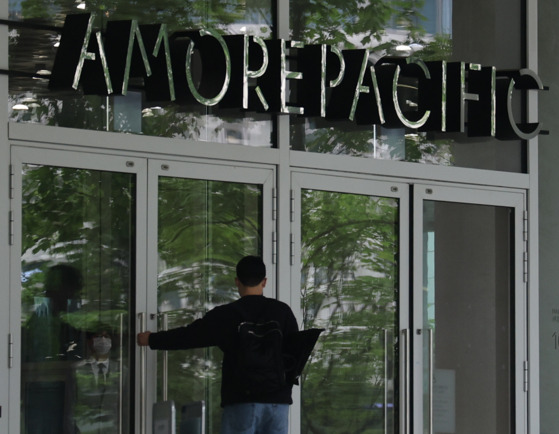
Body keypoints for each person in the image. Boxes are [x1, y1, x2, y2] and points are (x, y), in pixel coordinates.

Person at [137, 255, 299, 434]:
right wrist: (284, 389)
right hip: (278, 403)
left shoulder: (227, 315)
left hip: (241, 401)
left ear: (237, 281)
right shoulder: (282, 312)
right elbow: (296, 354)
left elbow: (188, 336)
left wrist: (151, 339)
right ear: (265, 281)